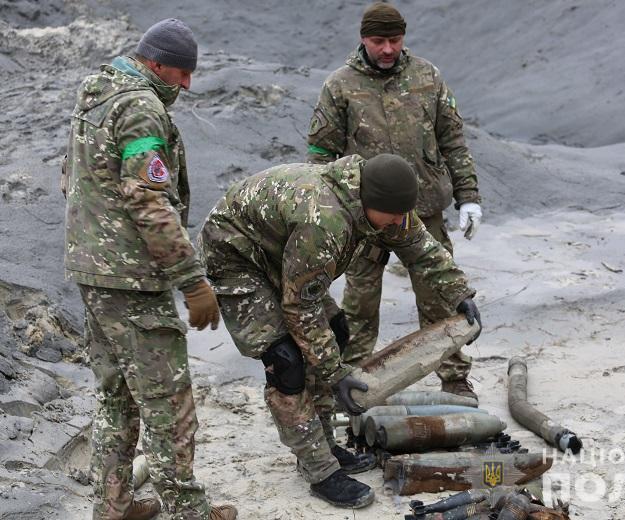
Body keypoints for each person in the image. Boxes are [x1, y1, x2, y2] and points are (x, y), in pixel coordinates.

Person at [197, 153, 481, 508]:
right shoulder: (326, 222)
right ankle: (319, 470)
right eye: (392, 216)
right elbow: (300, 308)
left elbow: (421, 249)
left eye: (400, 216)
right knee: (285, 360)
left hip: (281, 248)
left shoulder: (386, 205)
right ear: (370, 202)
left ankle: (324, 442)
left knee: (336, 329)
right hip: (235, 255)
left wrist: (459, 294)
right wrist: (336, 374)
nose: (397, 222)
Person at [62, 19, 237, 520]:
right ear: (156, 63)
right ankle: (188, 511)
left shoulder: (96, 93)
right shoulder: (140, 107)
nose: (185, 85)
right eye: (181, 74)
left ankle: (113, 507)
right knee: (169, 402)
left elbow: (71, 177)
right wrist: (193, 280)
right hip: (131, 279)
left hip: (92, 269)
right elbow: (149, 202)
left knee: (117, 395)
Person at [307, 2, 482, 399]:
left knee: (438, 295)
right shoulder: (340, 85)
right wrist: (329, 212)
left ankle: (454, 377)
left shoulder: (427, 76)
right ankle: (352, 382)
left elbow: (453, 139)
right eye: (378, 40)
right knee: (359, 305)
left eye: (395, 40)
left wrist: (468, 196)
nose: (387, 48)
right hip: (363, 217)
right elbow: (320, 154)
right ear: (363, 39)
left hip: (424, 210)